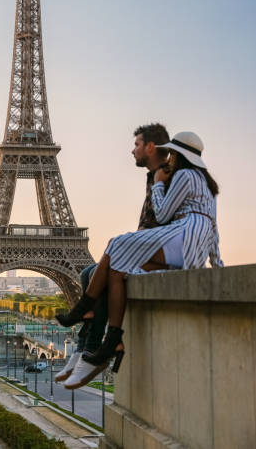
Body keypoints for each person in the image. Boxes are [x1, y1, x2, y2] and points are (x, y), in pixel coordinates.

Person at [62, 131, 223, 389]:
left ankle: (84, 309)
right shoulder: (207, 185)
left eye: (172, 154)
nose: (169, 158)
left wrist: (159, 182)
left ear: (179, 156)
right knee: (117, 269)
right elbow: (214, 230)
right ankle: (112, 340)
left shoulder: (182, 175)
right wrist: (217, 265)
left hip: (179, 237)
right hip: (192, 248)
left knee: (116, 245)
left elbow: (162, 213)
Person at [55, 123, 170, 383]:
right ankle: (86, 346)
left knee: (103, 270)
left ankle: (94, 346)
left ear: (150, 147)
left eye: (137, 144)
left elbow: (163, 220)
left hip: (156, 250)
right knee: (88, 272)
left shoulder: (165, 174)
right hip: (146, 246)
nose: (132, 150)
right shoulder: (155, 174)